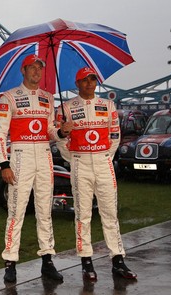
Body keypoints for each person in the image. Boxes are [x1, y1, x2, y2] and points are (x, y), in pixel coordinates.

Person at [0, 54, 71, 283]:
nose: (37, 72)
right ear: (23, 70)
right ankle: (10, 262)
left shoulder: (48, 98)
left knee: (45, 211)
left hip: (44, 156)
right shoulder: (9, 97)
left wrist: (62, 132)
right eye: (32, 68)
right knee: (16, 211)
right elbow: (0, 132)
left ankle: (47, 260)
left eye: (40, 68)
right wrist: (4, 163)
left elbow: (50, 132)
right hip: (20, 155)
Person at [56, 67, 137, 281]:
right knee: (83, 214)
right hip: (80, 163)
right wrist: (73, 157)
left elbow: (115, 136)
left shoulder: (108, 105)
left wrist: (103, 156)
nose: (90, 83)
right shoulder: (66, 108)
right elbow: (60, 140)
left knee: (110, 213)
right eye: (85, 80)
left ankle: (118, 260)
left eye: (93, 79)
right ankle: (86, 262)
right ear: (77, 84)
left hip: (103, 162)